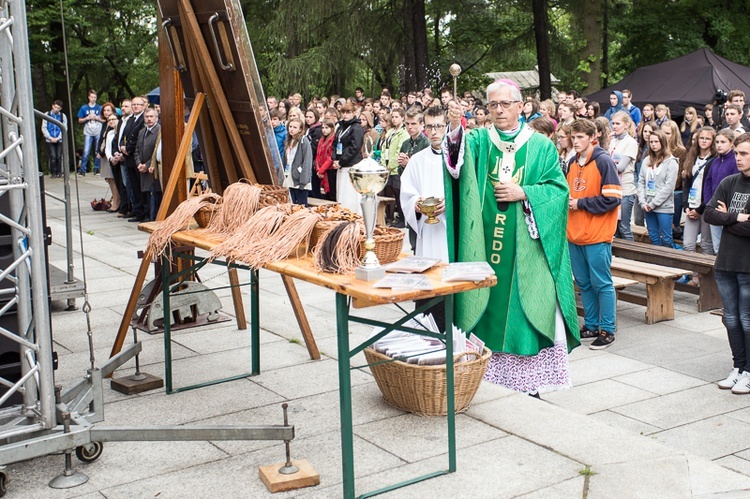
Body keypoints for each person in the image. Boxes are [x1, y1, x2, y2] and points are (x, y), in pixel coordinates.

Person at [443, 79, 580, 395]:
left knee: (525, 306)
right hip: (483, 243)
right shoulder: (478, 140)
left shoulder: (541, 146)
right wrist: (454, 125)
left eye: (505, 104)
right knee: (484, 302)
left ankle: (527, 384)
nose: (499, 110)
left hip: (526, 251)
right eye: (493, 105)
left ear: (521, 106)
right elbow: (454, 160)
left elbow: (559, 192)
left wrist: (525, 192)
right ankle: (481, 375)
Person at [566, 119, 622, 348]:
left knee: (602, 283)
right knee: (584, 283)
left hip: (597, 234)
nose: (576, 141)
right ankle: (590, 324)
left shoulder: (604, 161)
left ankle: (607, 329)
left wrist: (581, 204)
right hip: (575, 233)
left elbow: (613, 198)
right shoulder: (571, 162)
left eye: (580, 137)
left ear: (592, 138)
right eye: (573, 136)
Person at [703, 132, 750, 394]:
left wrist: (726, 217)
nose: (738, 158)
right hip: (726, 263)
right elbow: (709, 214)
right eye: (736, 153)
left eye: (743, 153)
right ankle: (739, 367)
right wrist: (736, 218)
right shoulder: (729, 181)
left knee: (747, 319)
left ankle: (749, 371)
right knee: (731, 319)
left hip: (747, 265)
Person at [400, 106, 449, 261]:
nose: (434, 132)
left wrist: (449, 203)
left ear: (446, 127)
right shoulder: (416, 160)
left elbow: (466, 191)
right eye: (429, 127)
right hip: (426, 228)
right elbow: (407, 192)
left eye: (439, 126)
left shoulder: (457, 159)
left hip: (449, 226)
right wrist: (415, 203)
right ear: (424, 128)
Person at [637, 129, 678, 247]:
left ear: (663, 142)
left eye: (657, 141)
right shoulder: (646, 160)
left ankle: (668, 263)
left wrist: (653, 203)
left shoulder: (671, 162)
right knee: (653, 237)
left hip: (663, 206)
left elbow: (669, 187)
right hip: (647, 205)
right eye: (651, 142)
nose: (654, 144)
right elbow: (641, 181)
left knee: (666, 238)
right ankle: (655, 263)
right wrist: (643, 202)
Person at [683, 127, 716, 260]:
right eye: (701, 138)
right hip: (691, 204)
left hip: (705, 206)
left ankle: (706, 279)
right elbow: (687, 183)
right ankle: (694, 276)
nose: (704, 141)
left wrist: (700, 209)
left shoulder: (714, 160)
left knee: (706, 243)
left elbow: (712, 188)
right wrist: (686, 205)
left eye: (707, 138)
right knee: (688, 244)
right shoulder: (692, 157)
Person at [702, 129, 738, 253]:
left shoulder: (735, 160)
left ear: (731, 143)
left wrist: (729, 207)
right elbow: (708, 181)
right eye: (717, 142)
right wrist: (708, 202)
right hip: (714, 208)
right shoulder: (715, 161)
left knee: (728, 245)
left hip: (727, 210)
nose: (719, 145)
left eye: (723, 142)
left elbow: (736, 185)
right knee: (717, 246)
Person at [609, 111, 639, 240]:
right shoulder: (613, 141)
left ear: (626, 125)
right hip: (613, 188)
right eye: (613, 123)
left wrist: (606, 166)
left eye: (618, 123)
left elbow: (620, 167)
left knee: (624, 226)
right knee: (614, 226)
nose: (614, 126)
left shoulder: (630, 142)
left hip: (625, 189)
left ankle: (630, 256)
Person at [332, 103, 364, 214]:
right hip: (341, 165)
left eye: (348, 112)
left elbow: (355, 147)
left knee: (350, 194)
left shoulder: (356, 128)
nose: (345, 115)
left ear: (354, 113)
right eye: (343, 112)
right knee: (341, 193)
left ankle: (353, 215)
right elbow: (335, 143)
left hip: (352, 165)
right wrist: (334, 159)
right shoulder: (340, 127)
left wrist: (341, 161)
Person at [121, 96, 146, 222]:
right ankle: (137, 210)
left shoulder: (143, 119)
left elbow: (137, 138)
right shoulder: (130, 119)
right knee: (133, 186)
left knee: (140, 185)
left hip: (136, 156)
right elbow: (124, 134)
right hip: (128, 157)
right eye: (134, 104)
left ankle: (142, 211)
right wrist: (122, 146)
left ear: (143, 106)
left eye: (138, 104)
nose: (136, 106)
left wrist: (128, 148)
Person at [381, 108, 408, 226]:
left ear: (402, 118)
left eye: (397, 117)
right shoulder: (390, 131)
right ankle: (392, 217)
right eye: (393, 117)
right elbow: (384, 149)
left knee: (399, 194)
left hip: (395, 168)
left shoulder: (403, 133)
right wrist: (384, 164)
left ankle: (402, 219)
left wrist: (391, 165)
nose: (394, 119)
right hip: (387, 167)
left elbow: (399, 151)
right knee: (391, 193)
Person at [134, 108, 161, 221]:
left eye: (151, 116)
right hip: (142, 167)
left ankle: (153, 216)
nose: (149, 119)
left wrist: (147, 164)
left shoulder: (159, 131)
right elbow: (137, 150)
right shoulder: (142, 132)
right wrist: (139, 163)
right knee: (144, 192)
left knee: (154, 193)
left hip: (153, 168)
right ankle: (146, 214)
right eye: (147, 117)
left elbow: (157, 151)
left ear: (156, 117)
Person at [662, 120, 687, 239]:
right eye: (663, 133)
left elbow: (677, 175)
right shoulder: (657, 148)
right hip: (658, 191)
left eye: (667, 133)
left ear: (673, 134)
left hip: (674, 192)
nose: (664, 136)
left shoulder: (680, 151)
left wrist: (664, 188)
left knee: (672, 226)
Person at [283, 117, 313, 206]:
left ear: (300, 129)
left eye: (295, 127)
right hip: (289, 176)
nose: (291, 129)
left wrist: (303, 180)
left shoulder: (304, 141)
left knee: (301, 205)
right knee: (290, 204)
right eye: (290, 126)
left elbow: (307, 161)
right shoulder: (288, 141)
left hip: (299, 179)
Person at [77, 89, 104, 175]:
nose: (93, 99)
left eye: (95, 97)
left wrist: (97, 118)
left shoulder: (100, 108)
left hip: (98, 131)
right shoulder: (84, 108)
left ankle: (96, 169)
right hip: (88, 131)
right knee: (86, 150)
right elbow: (80, 120)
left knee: (97, 150)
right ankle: (82, 170)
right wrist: (87, 118)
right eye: (92, 97)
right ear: (89, 97)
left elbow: (104, 120)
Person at [41, 100, 66, 178]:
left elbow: (64, 128)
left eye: (58, 108)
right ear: (52, 106)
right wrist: (49, 137)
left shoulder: (62, 116)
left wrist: (58, 138)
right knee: (53, 156)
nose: (56, 109)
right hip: (50, 139)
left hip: (59, 139)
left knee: (59, 156)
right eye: (55, 107)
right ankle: (53, 172)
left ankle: (59, 172)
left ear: (60, 108)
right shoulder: (47, 115)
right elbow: (44, 127)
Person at [102, 113, 121, 211]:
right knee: (113, 181)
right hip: (112, 160)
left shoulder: (120, 131)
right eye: (109, 120)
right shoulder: (109, 133)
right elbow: (107, 148)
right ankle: (116, 202)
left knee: (121, 183)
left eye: (113, 119)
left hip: (120, 159)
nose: (111, 121)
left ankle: (119, 203)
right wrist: (110, 158)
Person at [315, 119, 336, 200]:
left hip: (330, 170)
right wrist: (318, 169)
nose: (324, 130)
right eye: (323, 128)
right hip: (321, 170)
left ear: (332, 128)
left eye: (327, 128)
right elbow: (318, 155)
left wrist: (321, 170)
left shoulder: (333, 139)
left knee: (331, 193)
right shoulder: (321, 139)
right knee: (325, 194)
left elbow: (330, 157)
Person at [304, 109, 323, 198]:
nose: (308, 119)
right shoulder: (307, 129)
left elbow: (314, 147)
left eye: (310, 117)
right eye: (306, 117)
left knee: (314, 186)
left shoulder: (318, 130)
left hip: (313, 160)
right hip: (307, 159)